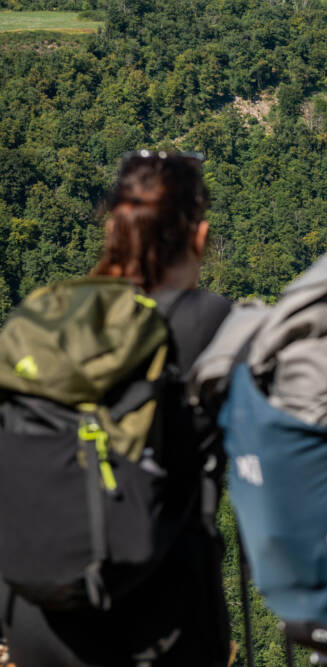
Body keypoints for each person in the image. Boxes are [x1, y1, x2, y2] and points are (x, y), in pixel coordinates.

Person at [0, 150, 232, 666]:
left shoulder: (44, 319)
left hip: (36, 618)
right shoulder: (208, 321)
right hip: (158, 620)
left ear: (114, 231)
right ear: (199, 237)